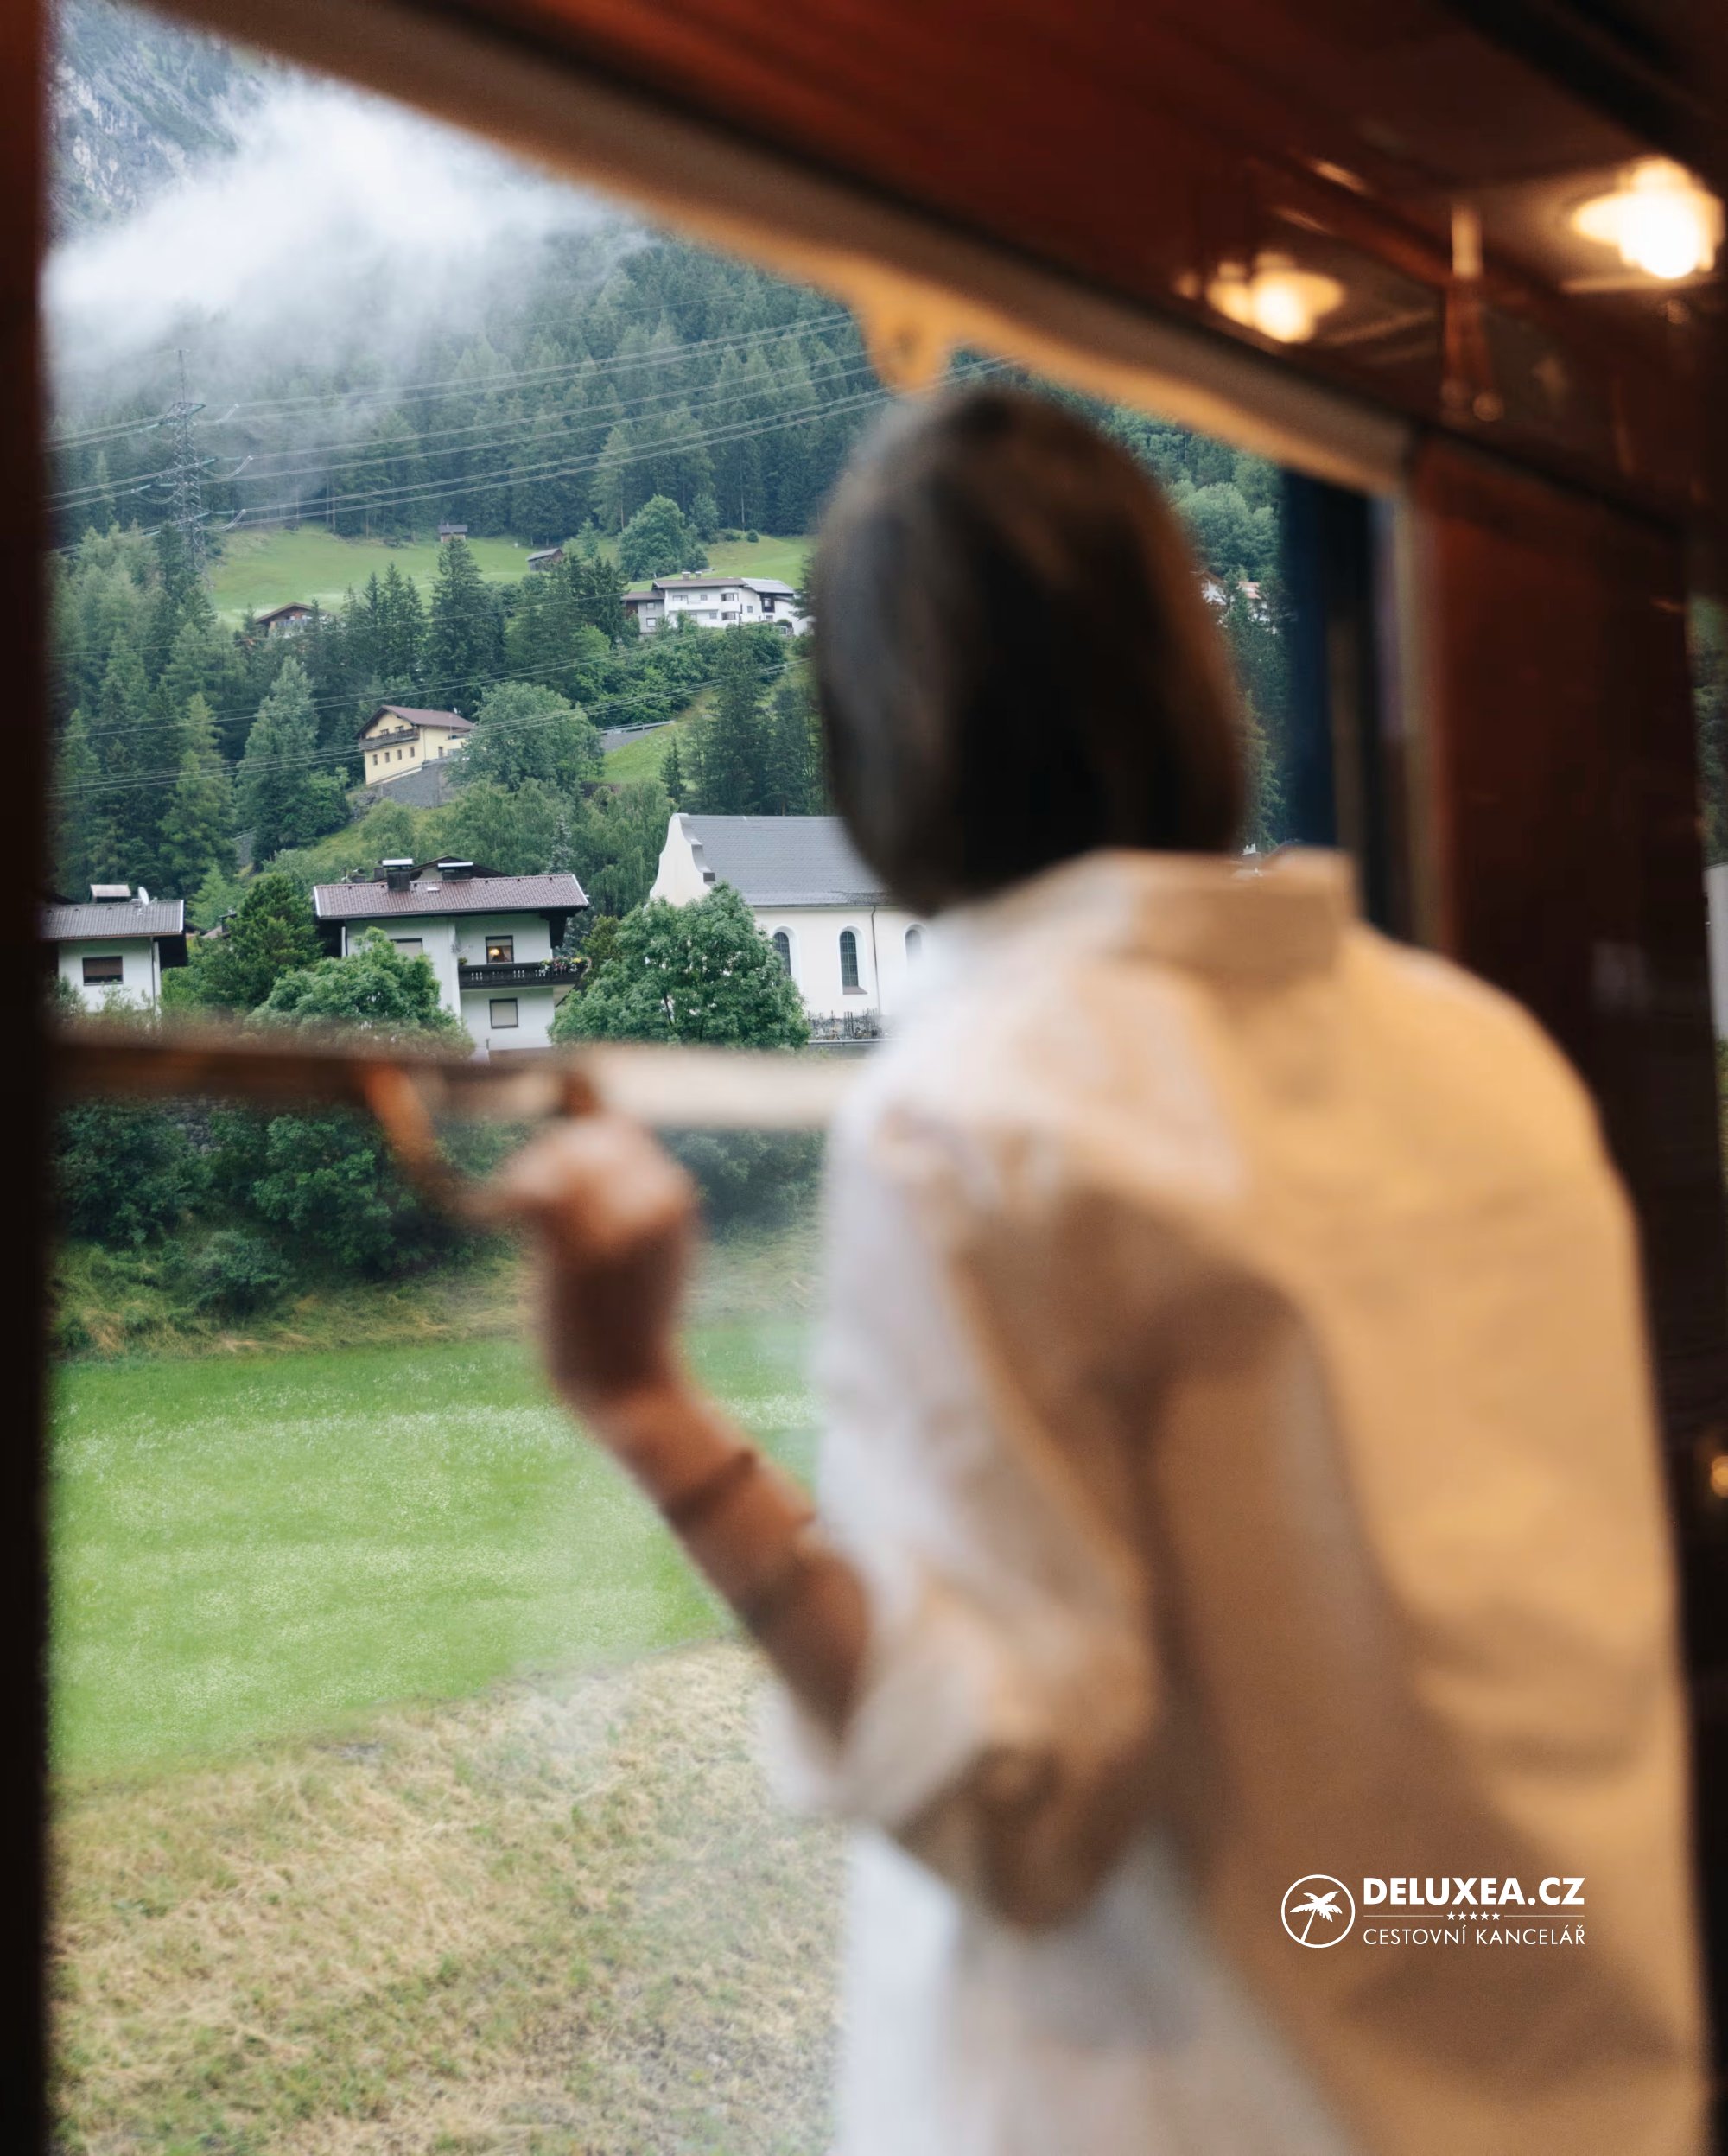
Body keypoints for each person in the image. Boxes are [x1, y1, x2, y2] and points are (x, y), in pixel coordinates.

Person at [498, 387, 1706, 2155]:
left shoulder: (971, 1115)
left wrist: (643, 1403)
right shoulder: (1485, 1056)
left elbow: (1020, 1807)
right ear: (1186, 682)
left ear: (873, 741)